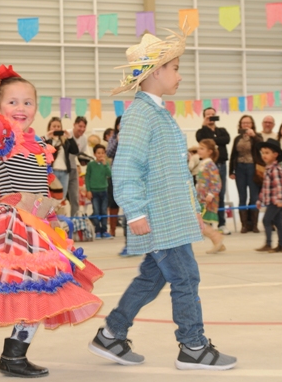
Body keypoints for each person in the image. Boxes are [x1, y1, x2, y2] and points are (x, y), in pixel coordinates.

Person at [88, 30, 236, 370]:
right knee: (185, 277)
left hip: (170, 216)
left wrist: (192, 213)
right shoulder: (141, 115)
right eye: (175, 67)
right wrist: (135, 210)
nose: (180, 74)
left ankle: (111, 334)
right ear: (156, 71)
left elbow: (172, 172)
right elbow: (126, 166)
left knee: (152, 277)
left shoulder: (157, 113)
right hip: (158, 216)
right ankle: (193, 346)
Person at [0, 64, 103, 377]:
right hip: (13, 224)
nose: (21, 108)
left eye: (27, 102)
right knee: (28, 289)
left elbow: (40, 184)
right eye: (12, 102)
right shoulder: (2, 138)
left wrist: (51, 216)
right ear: (0, 107)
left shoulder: (36, 142)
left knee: (29, 290)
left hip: (37, 223)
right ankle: (9, 356)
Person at [196, 108, 232, 235]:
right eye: (208, 115)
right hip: (205, 169)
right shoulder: (202, 131)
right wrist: (204, 126)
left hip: (220, 165)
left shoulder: (222, 131)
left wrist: (211, 140)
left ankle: (222, 223)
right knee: (203, 198)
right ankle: (207, 224)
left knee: (220, 195)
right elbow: (200, 139)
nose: (211, 117)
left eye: (213, 115)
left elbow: (226, 139)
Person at [229, 115, 264, 234]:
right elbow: (233, 155)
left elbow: (261, 146)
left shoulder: (257, 136)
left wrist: (253, 136)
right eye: (244, 123)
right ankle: (244, 225)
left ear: (252, 124)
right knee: (242, 197)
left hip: (253, 168)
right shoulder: (237, 138)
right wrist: (231, 171)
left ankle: (254, 225)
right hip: (239, 168)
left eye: (248, 123)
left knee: (254, 197)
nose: (246, 125)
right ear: (240, 125)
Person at [255, 139, 282, 253]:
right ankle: (281, 246)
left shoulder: (276, 170)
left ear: (275, 155)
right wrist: (260, 200)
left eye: (267, 153)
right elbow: (265, 188)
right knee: (278, 222)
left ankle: (269, 243)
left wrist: (279, 199)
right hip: (271, 201)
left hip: (276, 201)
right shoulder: (268, 169)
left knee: (266, 220)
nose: (264, 155)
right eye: (263, 153)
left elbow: (279, 186)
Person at [196, 139, 225, 254]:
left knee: (200, 222)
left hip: (208, 199)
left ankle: (217, 238)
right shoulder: (203, 163)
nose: (199, 150)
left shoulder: (210, 165)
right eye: (199, 148)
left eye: (202, 148)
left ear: (210, 151)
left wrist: (211, 194)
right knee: (202, 222)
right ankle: (218, 242)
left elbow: (217, 182)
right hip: (201, 198)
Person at [44, 117, 78, 202]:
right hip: (52, 172)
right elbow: (39, 150)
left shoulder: (65, 141)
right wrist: (46, 138)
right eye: (54, 126)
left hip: (65, 172)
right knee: (52, 196)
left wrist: (70, 137)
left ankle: (60, 214)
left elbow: (75, 151)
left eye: (58, 126)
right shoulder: (47, 140)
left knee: (62, 197)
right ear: (49, 128)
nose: (56, 128)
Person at [85, 144, 112, 239]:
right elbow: (87, 178)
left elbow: (109, 174)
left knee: (104, 211)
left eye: (102, 153)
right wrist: (88, 190)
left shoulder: (106, 164)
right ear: (94, 154)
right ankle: (97, 230)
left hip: (104, 191)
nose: (100, 155)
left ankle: (104, 230)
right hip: (94, 192)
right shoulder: (91, 165)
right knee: (96, 211)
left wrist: (105, 165)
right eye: (98, 153)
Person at [68, 116, 88, 217]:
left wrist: (83, 162)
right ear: (74, 125)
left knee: (75, 198)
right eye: (80, 126)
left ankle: (74, 222)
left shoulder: (84, 139)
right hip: (62, 169)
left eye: (84, 127)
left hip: (74, 168)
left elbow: (81, 155)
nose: (82, 129)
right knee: (59, 197)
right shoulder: (67, 134)